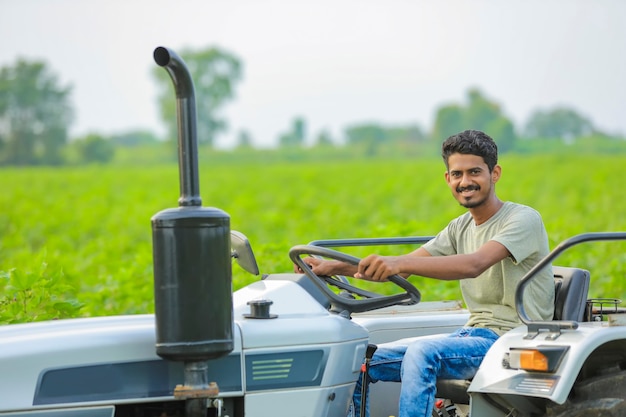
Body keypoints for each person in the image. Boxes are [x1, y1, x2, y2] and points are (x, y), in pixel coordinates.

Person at [298, 130, 555, 417]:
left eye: (474, 172)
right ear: (448, 179)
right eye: (457, 174)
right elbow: (405, 266)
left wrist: (400, 264)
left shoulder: (523, 219)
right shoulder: (460, 227)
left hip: (512, 338)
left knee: (422, 353)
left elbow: (474, 264)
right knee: (359, 360)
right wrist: (333, 267)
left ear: (494, 173)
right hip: (472, 334)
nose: (465, 182)